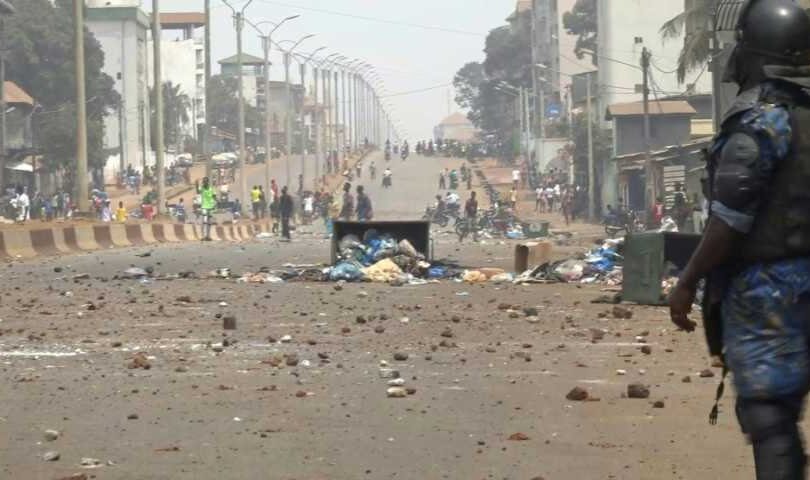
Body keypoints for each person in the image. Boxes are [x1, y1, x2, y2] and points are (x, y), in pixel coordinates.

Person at [669, 3, 810, 479]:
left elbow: (728, 220)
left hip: (770, 290)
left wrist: (688, 280)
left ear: (751, 52)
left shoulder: (758, 123)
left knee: (769, 416)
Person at [196, 177, 217, 241]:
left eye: (205, 182)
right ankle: (203, 236)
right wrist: (196, 185)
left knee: (209, 223)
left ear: (207, 182)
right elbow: (197, 192)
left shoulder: (211, 188)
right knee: (204, 221)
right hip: (204, 206)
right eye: (203, 182)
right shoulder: (202, 188)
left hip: (210, 206)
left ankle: (208, 236)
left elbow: (214, 197)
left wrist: (215, 204)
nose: (204, 183)